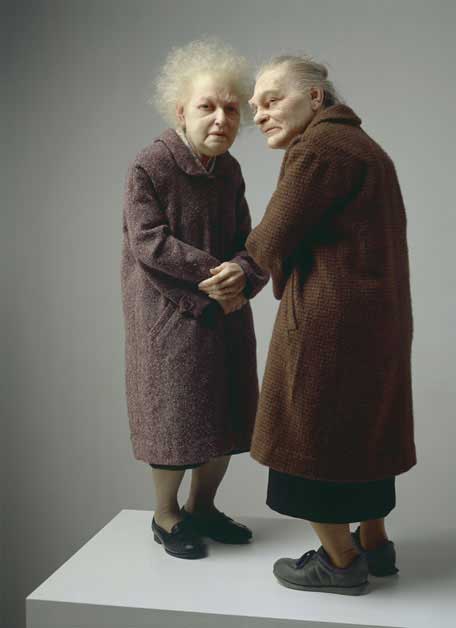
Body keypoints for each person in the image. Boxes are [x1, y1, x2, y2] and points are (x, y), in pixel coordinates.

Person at [246, 55, 417, 594]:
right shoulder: (368, 149)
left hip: (330, 323)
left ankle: (340, 564)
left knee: (308, 434)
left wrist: (240, 269)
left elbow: (274, 233)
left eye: (272, 99)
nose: (259, 114)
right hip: (378, 322)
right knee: (362, 431)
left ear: (315, 98)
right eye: (255, 105)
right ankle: (373, 543)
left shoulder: (318, 147)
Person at [121, 39, 269, 560]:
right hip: (169, 320)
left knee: (225, 418)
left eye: (232, 108)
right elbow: (148, 243)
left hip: (226, 313)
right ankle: (167, 516)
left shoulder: (229, 171)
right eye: (208, 106)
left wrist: (246, 274)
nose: (221, 118)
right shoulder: (151, 165)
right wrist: (220, 275)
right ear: (181, 110)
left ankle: (203, 507)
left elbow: (250, 241)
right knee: (175, 422)